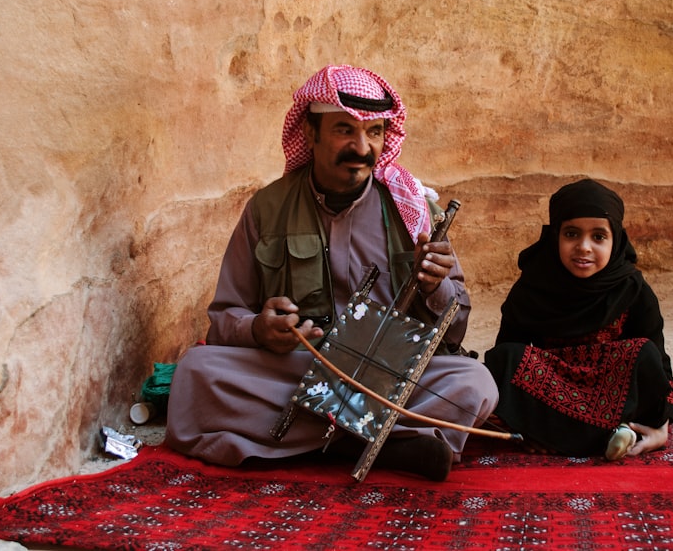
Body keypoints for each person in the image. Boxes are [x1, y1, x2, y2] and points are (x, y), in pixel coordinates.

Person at [165, 64, 498, 481]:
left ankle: (311, 441)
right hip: (296, 367)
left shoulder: (414, 209)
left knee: (475, 383)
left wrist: (436, 287)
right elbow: (224, 319)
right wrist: (259, 329)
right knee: (198, 373)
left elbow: (454, 332)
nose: (362, 147)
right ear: (310, 132)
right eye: (345, 130)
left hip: (389, 375)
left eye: (375, 132)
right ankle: (380, 444)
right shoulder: (267, 209)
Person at [484, 178, 673, 460]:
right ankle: (605, 435)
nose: (584, 247)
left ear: (616, 239)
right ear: (555, 237)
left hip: (610, 392)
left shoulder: (632, 289)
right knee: (503, 358)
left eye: (598, 237)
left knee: (646, 353)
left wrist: (662, 427)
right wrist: (521, 425)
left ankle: (598, 433)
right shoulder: (533, 287)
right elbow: (512, 358)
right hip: (554, 394)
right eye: (571, 234)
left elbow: (659, 366)